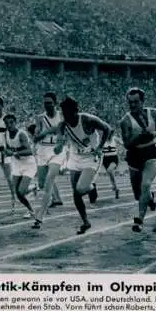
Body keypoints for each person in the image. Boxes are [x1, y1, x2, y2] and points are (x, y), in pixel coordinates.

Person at [37, 96, 111, 234]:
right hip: (75, 157)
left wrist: (100, 147)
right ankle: (85, 222)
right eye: (64, 113)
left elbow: (107, 128)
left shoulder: (88, 119)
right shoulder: (62, 125)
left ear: (76, 111)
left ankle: (91, 187)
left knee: (81, 188)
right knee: (76, 194)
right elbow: (59, 140)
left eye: (69, 113)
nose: (67, 117)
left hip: (91, 156)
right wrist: (58, 146)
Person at [120, 88, 156, 233]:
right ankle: (149, 198)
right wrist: (140, 137)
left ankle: (140, 220)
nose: (133, 105)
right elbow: (127, 144)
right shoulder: (125, 121)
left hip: (151, 151)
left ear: (142, 102)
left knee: (146, 184)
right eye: (130, 102)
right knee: (138, 194)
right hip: (134, 155)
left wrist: (153, 133)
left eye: (136, 102)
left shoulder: (155, 114)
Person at [31, 93, 65, 225]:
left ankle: (40, 216)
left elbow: (64, 132)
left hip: (57, 151)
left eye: (50, 102)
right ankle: (54, 198)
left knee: (50, 180)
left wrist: (53, 133)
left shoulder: (61, 116)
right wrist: (42, 133)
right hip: (43, 151)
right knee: (41, 183)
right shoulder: (40, 118)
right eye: (45, 103)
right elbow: (36, 137)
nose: (47, 105)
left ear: (55, 103)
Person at [2, 114, 38, 218]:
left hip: (28, 164)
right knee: (17, 192)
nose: (9, 125)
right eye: (6, 123)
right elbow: (8, 148)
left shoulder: (21, 134)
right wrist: (5, 151)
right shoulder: (6, 134)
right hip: (17, 164)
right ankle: (31, 210)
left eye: (11, 122)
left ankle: (32, 188)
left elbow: (28, 151)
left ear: (15, 123)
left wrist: (13, 153)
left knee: (21, 191)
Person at [98, 128, 121, 199]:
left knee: (110, 171)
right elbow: (98, 147)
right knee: (110, 174)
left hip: (114, 158)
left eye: (110, 134)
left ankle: (116, 187)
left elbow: (123, 142)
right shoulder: (102, 140)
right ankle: (115, 187)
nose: (109, 136)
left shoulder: (115, 139)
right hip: (105, 159)